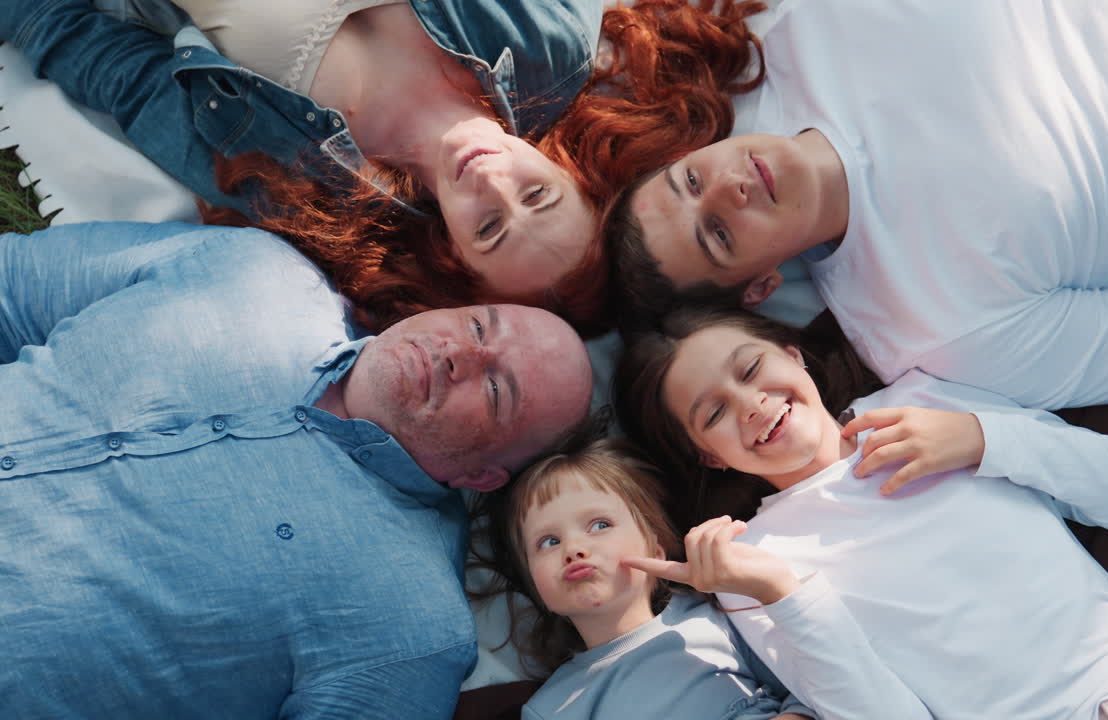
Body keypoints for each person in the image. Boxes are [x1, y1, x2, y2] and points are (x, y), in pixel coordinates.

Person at [0, 221, 593, 718]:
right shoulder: (249, 271)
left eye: (495, 389)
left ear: (484, 477)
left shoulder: (408, 631)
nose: (459, 354)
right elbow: (11, 284)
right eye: (478, 325)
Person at [612, 306, 1108, 719]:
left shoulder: (924, 400)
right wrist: (782, 593)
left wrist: (983, 440)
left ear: (793, 355)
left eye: (750, 368)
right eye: (715, 412)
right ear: (708, 456)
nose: (751, 403)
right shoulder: (751, 565)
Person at [607, 0, 1108, 408]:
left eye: (691, 181)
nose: (729, 188)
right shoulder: (937, 329)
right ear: (761, 287)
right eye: (719, 234)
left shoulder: (777, 36)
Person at [0, 0, 765, 333]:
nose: (490, 178)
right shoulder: (545, 42)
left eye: (491, 228)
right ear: (568, 169)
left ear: (456, 258)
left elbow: (108, 68)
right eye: (537, 193)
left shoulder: (300, 186)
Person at [481, 438, 842, 719]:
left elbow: (808, 683)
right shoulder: (553, 707)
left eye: (600, 525)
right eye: (549, 541)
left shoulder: (717, 616)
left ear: (655, 551)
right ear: (534, 583)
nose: (573, 548)